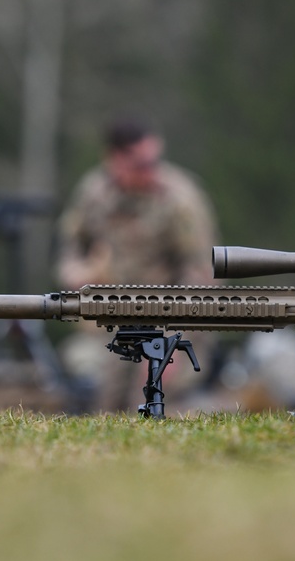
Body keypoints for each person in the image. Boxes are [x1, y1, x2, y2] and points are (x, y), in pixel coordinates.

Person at [55, 118, 220, 412]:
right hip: (110, 321)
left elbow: (201, 275)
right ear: (114, 159)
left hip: (171, 319)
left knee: (149, 395)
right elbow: (71, 249)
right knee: (98, 397)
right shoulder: (95, 193)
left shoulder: (179, 199)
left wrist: (175, 340)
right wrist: (77, 275)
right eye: (141, 163)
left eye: (155, 160)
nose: (151, 170)